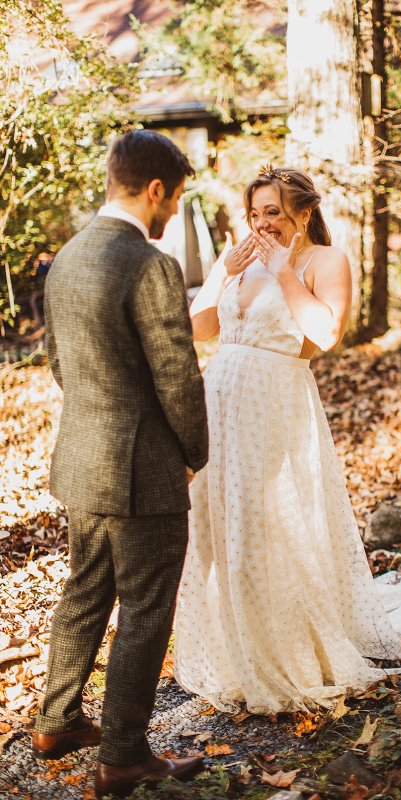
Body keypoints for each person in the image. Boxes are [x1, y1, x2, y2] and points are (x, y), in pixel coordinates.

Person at [173, 164, 401, 715]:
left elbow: (324, 334)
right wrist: (218, 274)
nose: (262, 224)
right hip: (219, 406)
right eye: (254, 214)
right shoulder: (240, 263)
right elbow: (199, 330)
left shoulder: (327, 261)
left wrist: (284, 273)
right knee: (220, 522)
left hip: (273, 405)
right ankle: (236, 650)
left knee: (267, 522)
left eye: (273, 213)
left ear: (303, 212)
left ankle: (291, 647)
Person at [33, 130, 209, 799]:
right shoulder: (150, 262)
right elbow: (177, 376)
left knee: (84, 591)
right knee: (143, 605)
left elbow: (59, 367)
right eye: (175, 199)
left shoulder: (70, 257)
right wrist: (194, 451)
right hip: (144, 468)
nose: (171, 214)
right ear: (156, 189)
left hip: (81, 457)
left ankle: (55, 722)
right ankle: (124, 754)